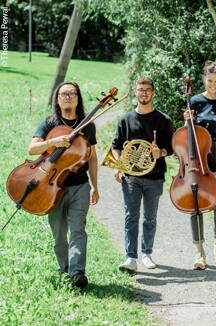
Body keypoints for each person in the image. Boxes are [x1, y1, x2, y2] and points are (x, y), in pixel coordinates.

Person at [28, 82, 99, 288]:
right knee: (59, 234)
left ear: (78, 98)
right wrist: (53, 143)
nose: (68, 97)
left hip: (80, 185)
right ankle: (64, 269)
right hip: (51, 187)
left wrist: (95, 185)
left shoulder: (87, 125)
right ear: (57, 98)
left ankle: (77, 273)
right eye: (64, 94)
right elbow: (32, 149)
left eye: (72, 93)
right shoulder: (49, 123)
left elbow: (92, 158)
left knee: (78, 229)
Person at [112, 77, 174, 272]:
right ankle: (130, 257)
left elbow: (171, 148)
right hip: (131, 176)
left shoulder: (163, 120)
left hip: (155, 177)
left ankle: (147, 254)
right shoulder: (126, 120)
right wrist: (118, 165)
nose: (144, 93)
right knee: (131, 216)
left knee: (150, 218)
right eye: (141, 89)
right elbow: (116, 146)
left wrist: (160, 153)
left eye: (148, 90)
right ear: (135, 92)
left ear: (153, 93)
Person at [183, 61, 216, 269]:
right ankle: (199, 251)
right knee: (196, 203)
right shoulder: (194, 101)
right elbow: (187, 133)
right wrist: (187, 120)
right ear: (204, 79)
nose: (213, 84)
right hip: (199, 155)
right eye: (210, 80)